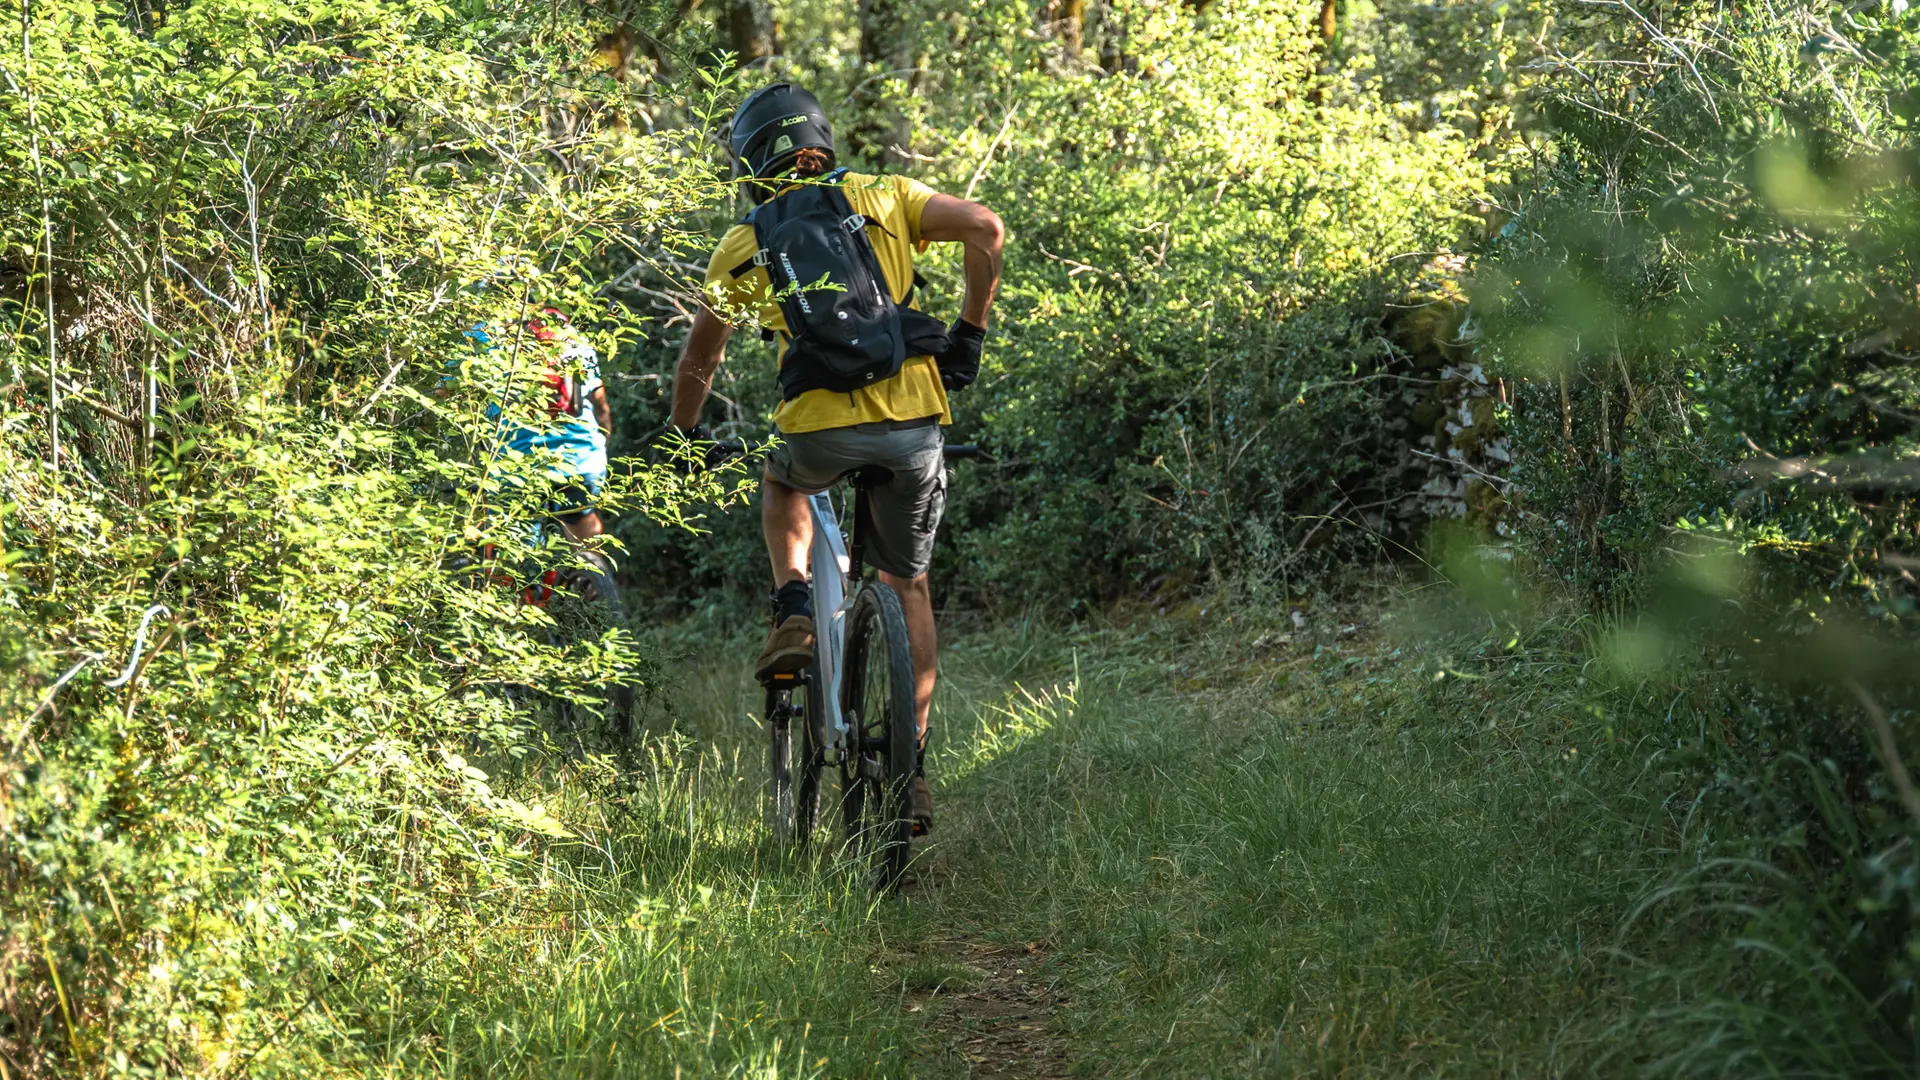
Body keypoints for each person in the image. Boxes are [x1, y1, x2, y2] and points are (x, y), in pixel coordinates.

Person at [668, 83, 1004, 834]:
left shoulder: (747, 239)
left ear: (752, 163)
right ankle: (910, 769)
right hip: (913, 425)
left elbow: (703, 353)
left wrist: (684, 435)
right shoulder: (882, 194)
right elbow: (985, 227)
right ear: (824, 137)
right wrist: (969, 334)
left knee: (783, 477)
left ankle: (794, 606)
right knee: (907, 583)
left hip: (815, 430)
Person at [454, 310, 619, 595]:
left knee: (514, 559)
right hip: (583, 457)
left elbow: (443, 390)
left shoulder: (480, 336)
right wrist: (600, 447)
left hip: (519, 466)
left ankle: (517, 620)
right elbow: (600, 405)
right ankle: (598, 597)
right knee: (583, 525)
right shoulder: (570, 336)